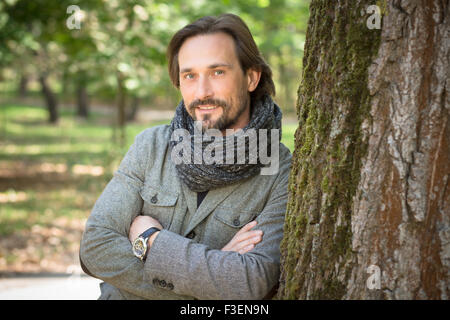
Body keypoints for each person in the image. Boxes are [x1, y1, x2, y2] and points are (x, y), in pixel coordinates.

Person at [79, 13, 292, 300]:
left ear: (251, 77)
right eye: (189, 75)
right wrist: (213, 276)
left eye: (218, 72)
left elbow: (249, 282)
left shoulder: (278, 169)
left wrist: (149, 240)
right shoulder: (151, 146)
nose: (202, 92)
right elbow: (95, 247)